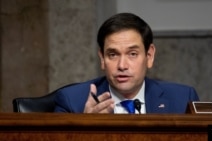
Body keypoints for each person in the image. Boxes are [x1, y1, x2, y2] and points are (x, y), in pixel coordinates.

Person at [54, 12, 199, 114]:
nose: (122, 65)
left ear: (149, 56)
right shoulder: (71, 101)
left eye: (132, 54)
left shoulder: (182, 99)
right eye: (113, 54)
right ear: (102, 59)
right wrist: (86, 129)